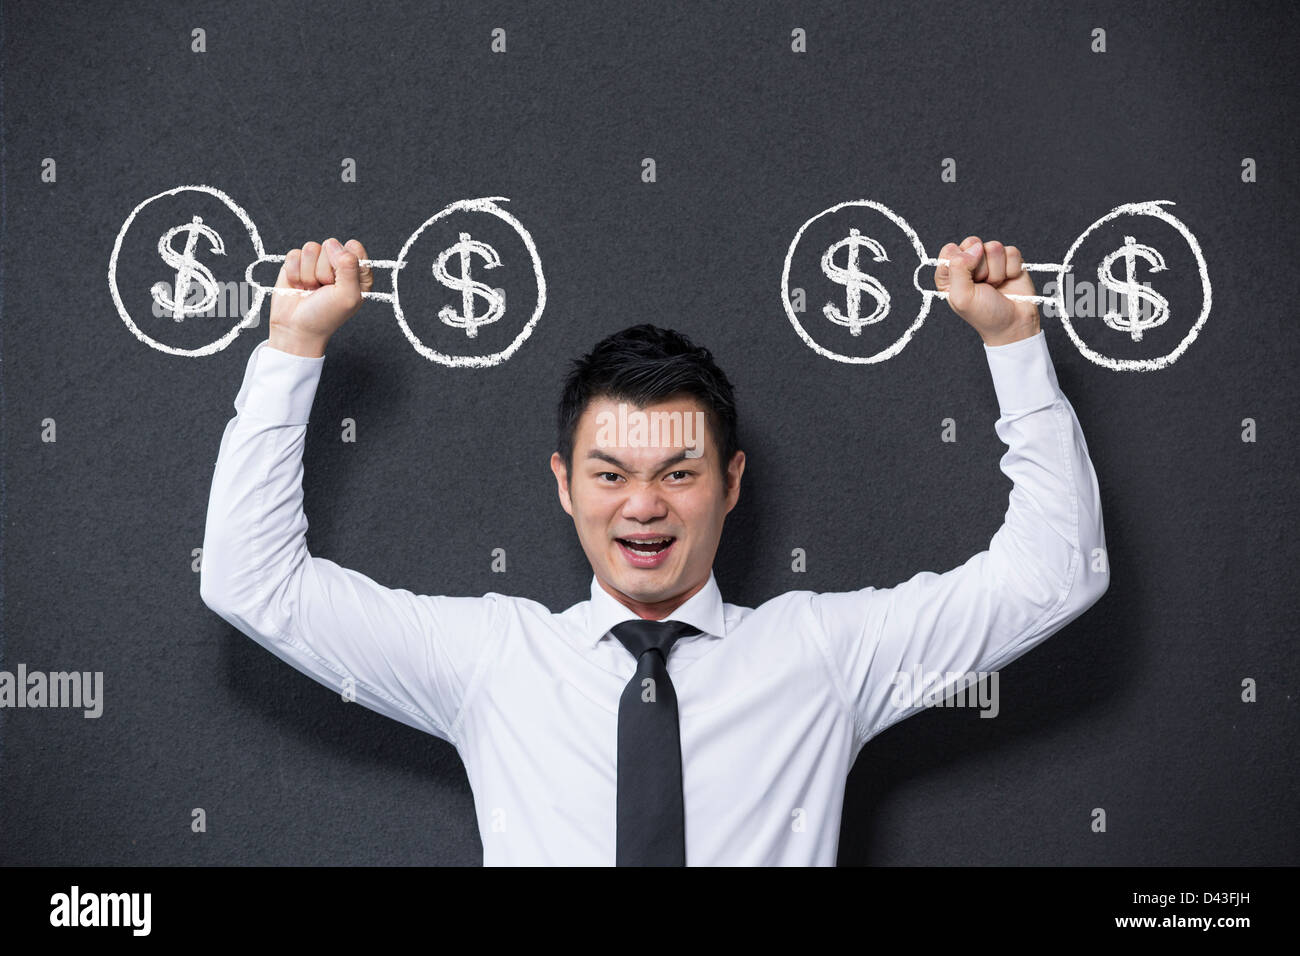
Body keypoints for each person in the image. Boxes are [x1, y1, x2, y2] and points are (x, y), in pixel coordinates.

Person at [200, 235, 1109, 866]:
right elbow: (254, 581)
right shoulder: (492, 663)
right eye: (609, 475)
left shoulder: (822, 658)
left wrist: (1015, 341)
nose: (643, 506)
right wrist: (292, 346)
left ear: (733, 483)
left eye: (679, 472)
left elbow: (1053, 574)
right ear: (563, 485)